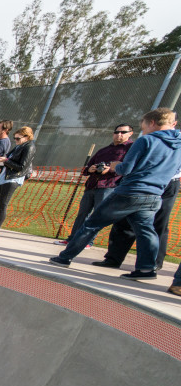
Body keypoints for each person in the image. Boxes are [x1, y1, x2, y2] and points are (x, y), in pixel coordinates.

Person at [49, 108, 181, 279]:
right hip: (155, 193)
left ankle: (65, 257)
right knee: (146, 231)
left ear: (152, 123)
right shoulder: (178, 144)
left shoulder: (146, 141)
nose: (142, 130)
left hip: (131, 191)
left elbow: (126, 168)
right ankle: (146, 269)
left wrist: (114, 166)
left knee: (92, 223)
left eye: (143, 126)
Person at [58, 125, 134, 249]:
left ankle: (87, 241)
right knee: (82, 214)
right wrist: (91, 169)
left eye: (123, 132)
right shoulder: (104, 150)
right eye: (116, 132)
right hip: (92, 185)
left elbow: (128, 168)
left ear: (130, 133)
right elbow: (87, 168)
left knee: (98, 215)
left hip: (109, 186)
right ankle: (72, 238)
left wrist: (110, 170)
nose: (119, 134)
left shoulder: (130, 150)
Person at [95, 163, 179, 272]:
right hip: (143, 178)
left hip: (168, 181)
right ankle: (113, 258)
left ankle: (152, 264)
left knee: (159, 223)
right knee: (125, 218)